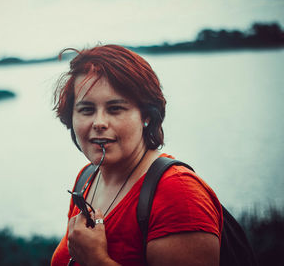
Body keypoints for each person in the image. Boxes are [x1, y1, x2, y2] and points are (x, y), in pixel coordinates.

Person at [51, 45, 223, 266]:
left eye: (115, 109)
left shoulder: (178, 194)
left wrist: (96, 261)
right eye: (86, 110)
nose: (99, 123)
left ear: (146, 116)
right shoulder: (87, 179)